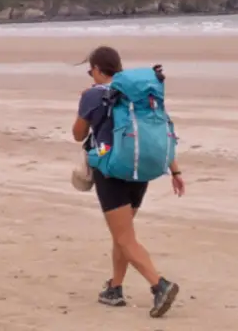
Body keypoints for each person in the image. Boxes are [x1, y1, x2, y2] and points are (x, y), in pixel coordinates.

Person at [73, 45, 184, 317]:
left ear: (98, 69)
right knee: (123, 235)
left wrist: (84, 104)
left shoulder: (93, 96)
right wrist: (175, 170)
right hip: (140, 169)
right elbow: (160, 130)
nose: (91, 75)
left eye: (91, 70)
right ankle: (115, 288)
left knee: (124, 236)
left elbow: (78, 134)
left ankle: (160, 285)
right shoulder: (140, 94)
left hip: (111, 171)